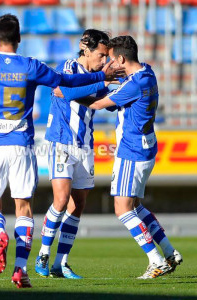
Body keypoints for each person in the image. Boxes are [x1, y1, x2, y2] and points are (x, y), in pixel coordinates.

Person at [0, 15, 122, 288]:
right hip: (21, 144)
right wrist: (101, 76)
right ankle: (21, 270)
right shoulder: (31, 66)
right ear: (19, 39)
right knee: (23, 208)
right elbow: (65, 81)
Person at [55, 35, 183, 279]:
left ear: (121, 59)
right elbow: (120, 98)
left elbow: (97, 104)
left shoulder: (133, 84)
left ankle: (155, 260)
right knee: (135, 205)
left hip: (131, 151)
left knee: (122, 209)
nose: (107, 65)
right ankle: (168, 251)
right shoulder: (147, 72)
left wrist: (68, 93)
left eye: (111, 60)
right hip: (146, 148)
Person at [35, 29, 117, 279]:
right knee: (61, 199)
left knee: (78, 204)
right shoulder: (69, 67)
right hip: (61, 140)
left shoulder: (96, 75)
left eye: (106, 57)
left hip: (85, 144)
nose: (103, 61)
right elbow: (64, 87)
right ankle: (43, 255)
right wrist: (103, 80)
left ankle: (61, 262)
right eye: (101, 55)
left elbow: (102, 98)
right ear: (86, 50)